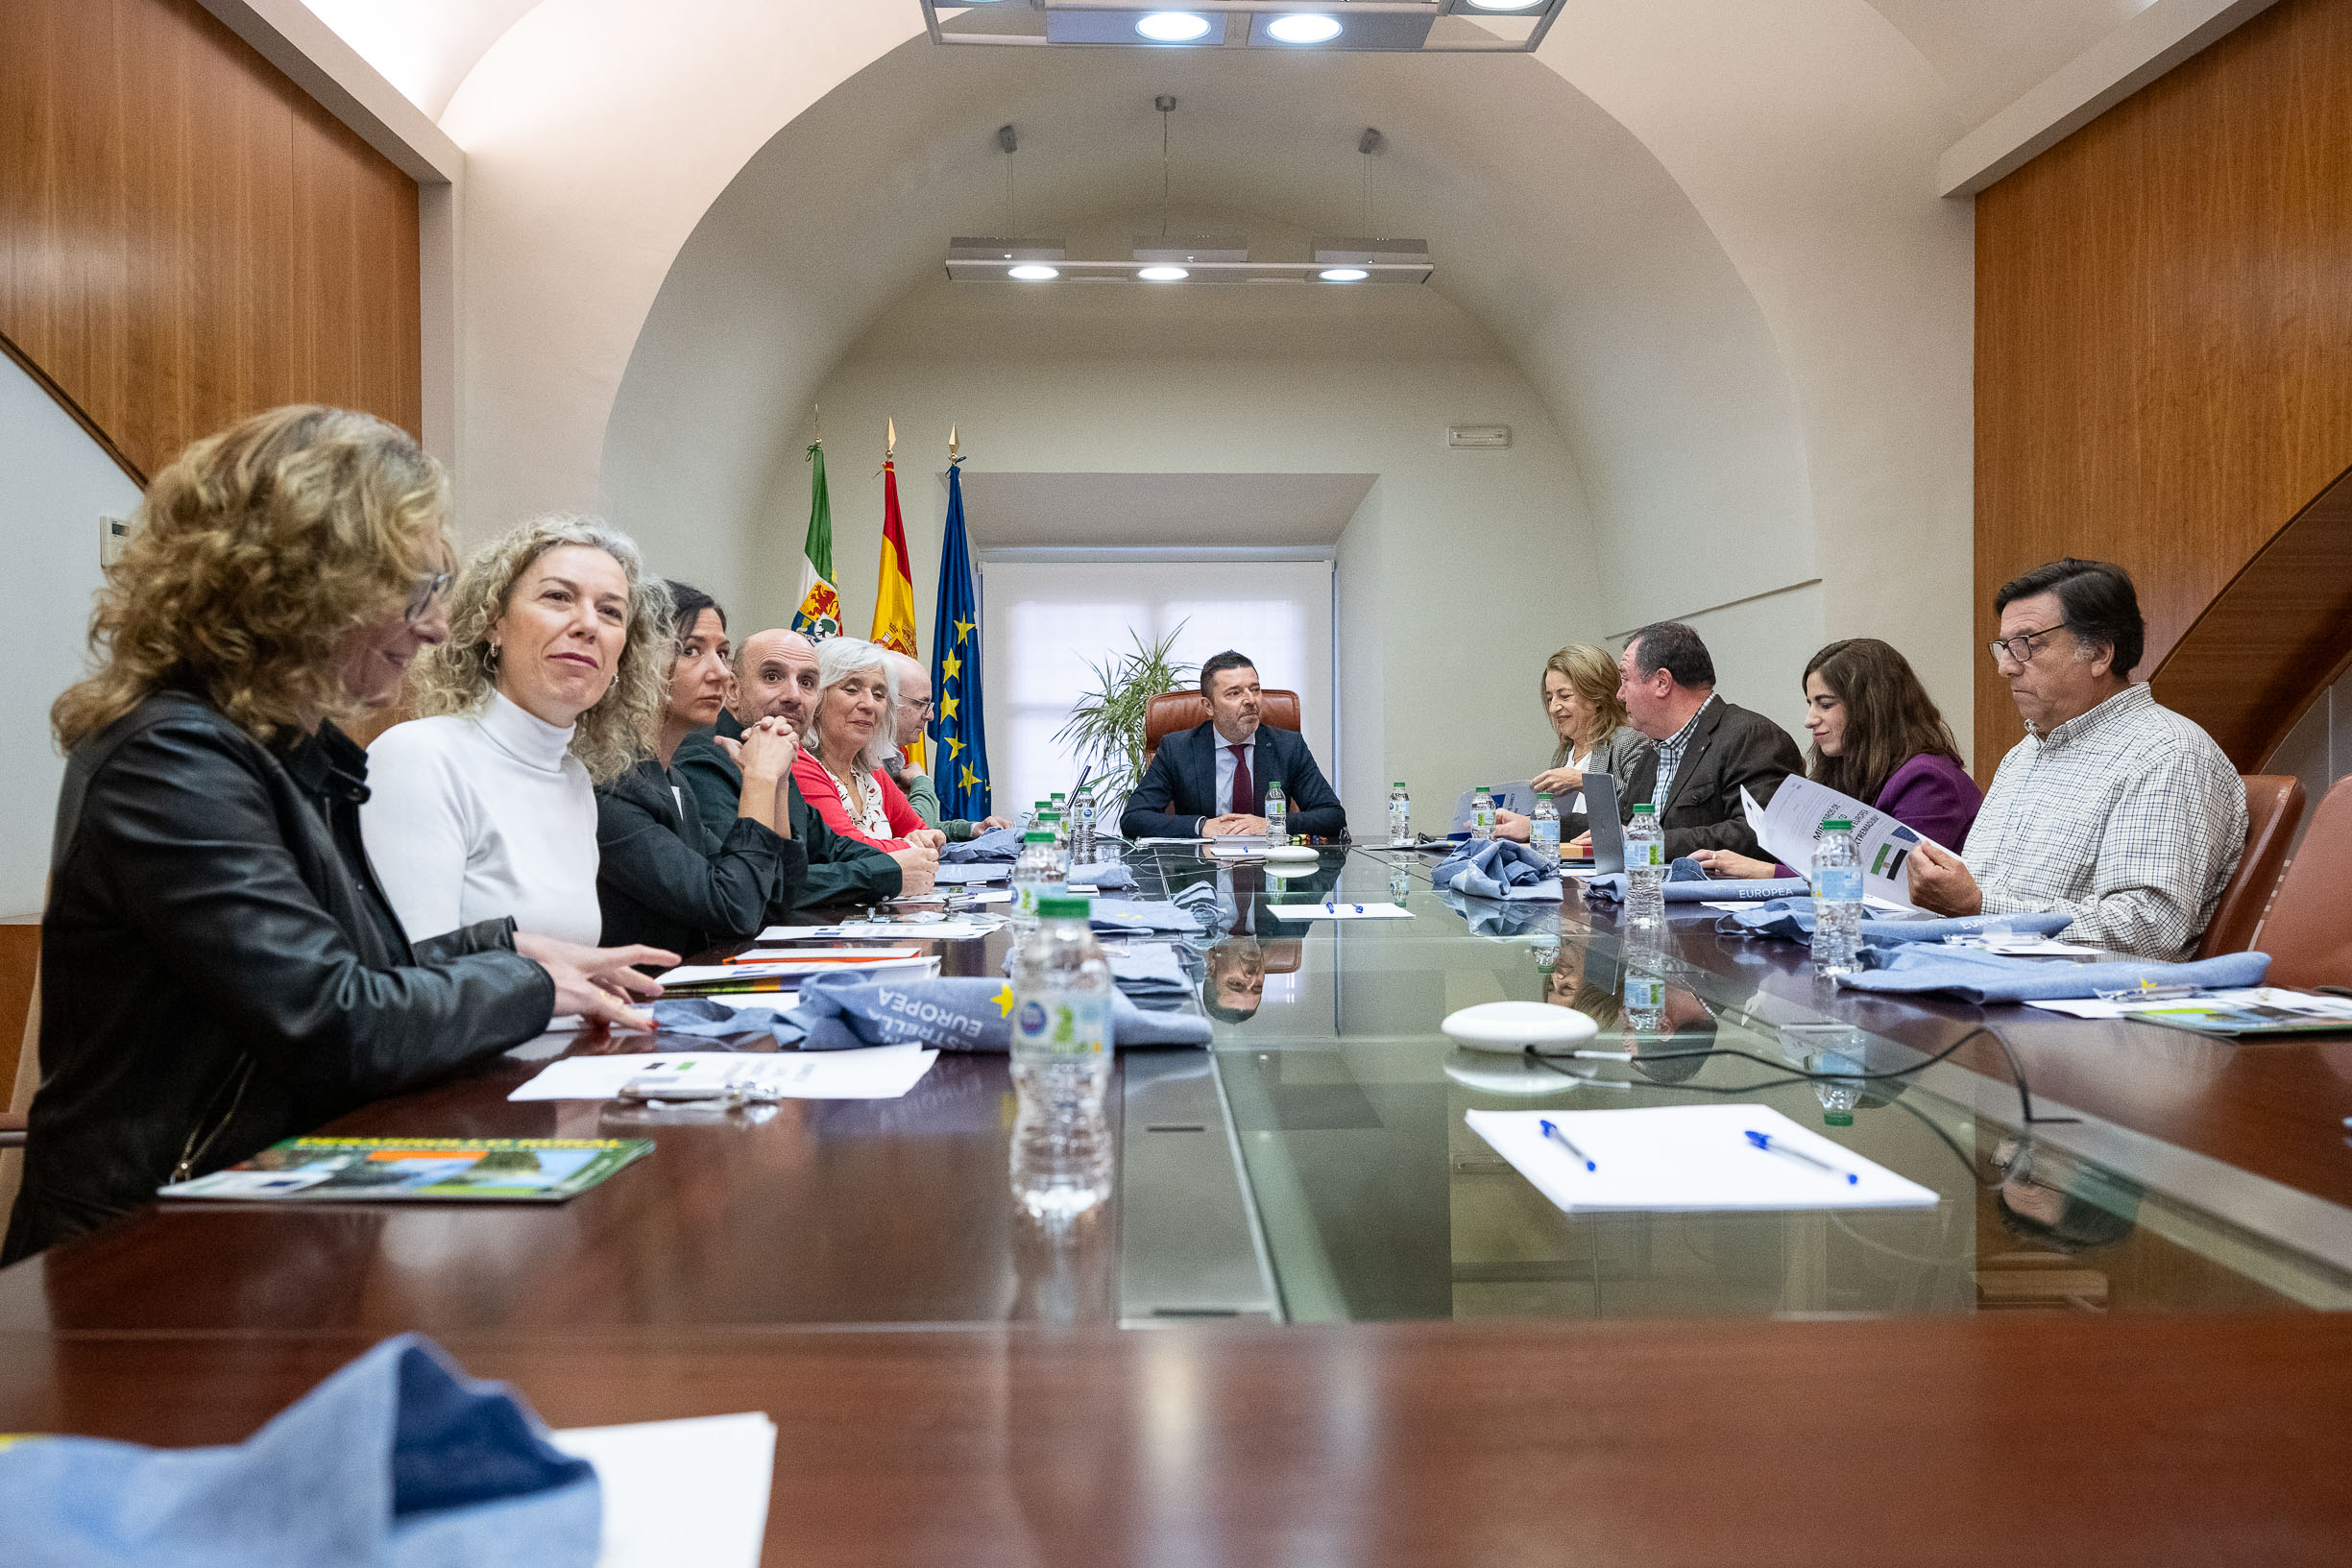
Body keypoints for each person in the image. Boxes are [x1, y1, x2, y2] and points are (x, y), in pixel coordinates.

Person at [3, 407, 670, 1263]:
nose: (435, 626)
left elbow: (349, 974)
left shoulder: (283, 754)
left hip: (259, 1219)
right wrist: (527, 982)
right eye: (415, 590)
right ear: (304, 584)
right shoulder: (172, 758)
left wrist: (506, 945)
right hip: (146, 1249)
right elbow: (333, 1021)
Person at [1906, 559, 2245, 960]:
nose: (2005, 667)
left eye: (2027, 644)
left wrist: (1979, 907)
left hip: (2077, 992)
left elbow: (2149, 927)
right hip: (1978, 966)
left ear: (2099, 653)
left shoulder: (2165, 752)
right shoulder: (2023, 755)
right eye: (2004, 647)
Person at [361, 514, 668, 947]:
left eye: (610, 611)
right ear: (494, 623)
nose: (588, 624)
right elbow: (414, 968)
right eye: (558, 597)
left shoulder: (575, 780)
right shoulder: (419, 756)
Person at [594, 581, 808, 956]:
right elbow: (733, 908)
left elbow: (775, 901)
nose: (721, 673)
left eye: (722, 653)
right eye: (690, 650)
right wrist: (758, 778)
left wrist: (776, 782)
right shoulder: (611, 784)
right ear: (633, 662)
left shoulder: (672, 781)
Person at [673, 628, 933, 908]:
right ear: (733, 691)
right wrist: (887, 873)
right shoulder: (705, 759)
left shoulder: (776, 746)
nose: (793, 696)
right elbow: (763, 888)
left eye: (807, 682)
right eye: (772, 677)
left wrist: (906, 861)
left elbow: (829, 846)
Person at [1689, 638, 1983, 880]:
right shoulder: (1845, 771)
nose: (1809, 720)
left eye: (1825, 705)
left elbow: (1898, 883)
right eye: (1810, 704)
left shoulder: (1928, 779)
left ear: (1871, 707)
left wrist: (1767, 872)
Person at [1568, 622, 1803, 861]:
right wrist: (1548, 824)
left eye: (1625, 679)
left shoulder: (1751, 738)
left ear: (1662, 682)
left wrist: (1650, 842)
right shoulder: (1655, 750)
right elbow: (1620, 825)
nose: (1620, 695)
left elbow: (1758, 833)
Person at [1120, 651, 1346, 839]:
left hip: (1271, 870)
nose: (1250, 700)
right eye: (1234, 693)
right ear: (1208, 707)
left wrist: (1271, 824)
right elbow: (1134, 818)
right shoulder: (1177, 749)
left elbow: (1333, 816)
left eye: (1255, 689)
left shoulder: (1288, 746)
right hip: (1203, 870)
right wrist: (1201, 826)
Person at [792, 638, 951, 854]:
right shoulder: (798, 762)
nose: (869, 705)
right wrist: (911, 845)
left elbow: (924, 832)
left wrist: (924, 840)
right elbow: (848, 849)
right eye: (851, 690)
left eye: (879, 695)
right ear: (816, 696)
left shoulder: (871, 770)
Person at [1496, 643, 1654, 842]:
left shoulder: (1629, 740)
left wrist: (1584, 782)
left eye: (1564, 696)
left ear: (1597, 696)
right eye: (1550, 698)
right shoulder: (1563, 753)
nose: (1553, 708)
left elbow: (1638, 812)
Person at [877, 649, 1009, 840]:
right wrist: (921, 782)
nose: (930, 716)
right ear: (888, 699)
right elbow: (917, 832)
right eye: (920, 704)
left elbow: (917, 826)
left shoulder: (888, 758)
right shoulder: (862, 761)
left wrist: (973, 829)